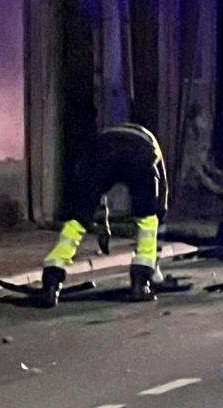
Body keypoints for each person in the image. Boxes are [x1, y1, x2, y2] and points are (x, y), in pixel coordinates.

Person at [39, 122, 168, 307]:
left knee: (79, 218)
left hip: (101, 150)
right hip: (139, 154)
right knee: (147, 217)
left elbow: (96, 194)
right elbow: (161, 205)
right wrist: (155, 263)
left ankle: (52, 279)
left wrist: (101, 225)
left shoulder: (105, 136)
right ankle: (141, 283)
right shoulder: (153, 149)